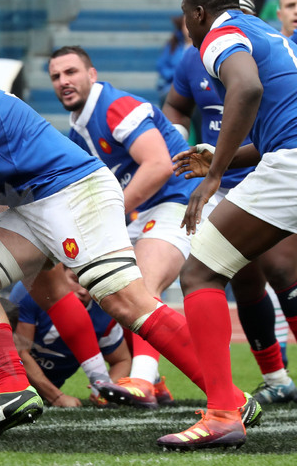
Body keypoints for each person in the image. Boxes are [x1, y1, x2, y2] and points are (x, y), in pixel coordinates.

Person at [0, 35, 258, 439]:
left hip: (69, 192)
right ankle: (13, 389)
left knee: (127, 302)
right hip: (34, 201)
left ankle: (230, 399)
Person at [163, 0, 297, 450]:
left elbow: (246, 89)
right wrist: (223, 159)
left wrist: (215, 175)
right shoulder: (273, 36)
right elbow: (275, 130)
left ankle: (222, 412)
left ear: (199, 13)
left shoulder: (221, 33)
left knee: (200, 272)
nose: (186, 27)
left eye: (186, 16)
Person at [48, 45, 201, 409]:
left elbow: (159, 165)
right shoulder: (78, 130)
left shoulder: (116, 107)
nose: (63, 81)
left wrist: (108, 217)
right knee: (109, 290)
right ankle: (156, 382)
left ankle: (143, 381)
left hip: (182, 200)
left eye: (71, 72)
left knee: (142, 286)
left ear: (92, 74)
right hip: (146, 211)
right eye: (55, 76)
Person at [10, 271, 132, 408]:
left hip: (38, 395)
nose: (83, 291)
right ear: (59, 273)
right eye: (75, 280)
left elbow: (122, 360)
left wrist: (107, 388)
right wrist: (56, 397)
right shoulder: (30, 290)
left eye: (89, 285)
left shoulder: (103, 315)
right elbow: (18, 352)